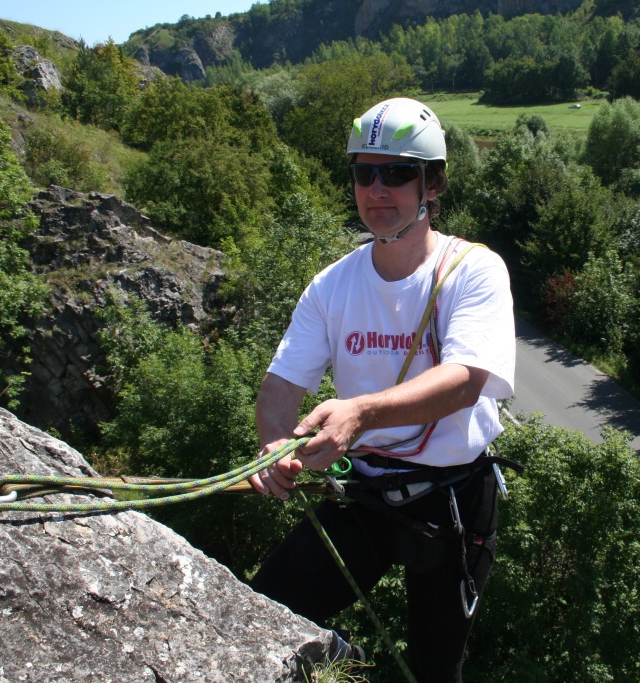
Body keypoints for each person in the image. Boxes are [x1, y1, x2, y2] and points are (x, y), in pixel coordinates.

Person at [248, 97, 516, 683]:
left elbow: (465, 382)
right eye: (363, 172)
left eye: (396, 173)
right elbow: (279, 387)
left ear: (433, 184)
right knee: (264, 609)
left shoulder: (473, 270)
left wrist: (359, 414)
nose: (377, 189)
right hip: (365, 494)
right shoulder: (332, 285)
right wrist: (274, 444)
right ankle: (346, 666)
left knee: (434, 667)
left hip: (452, 498)